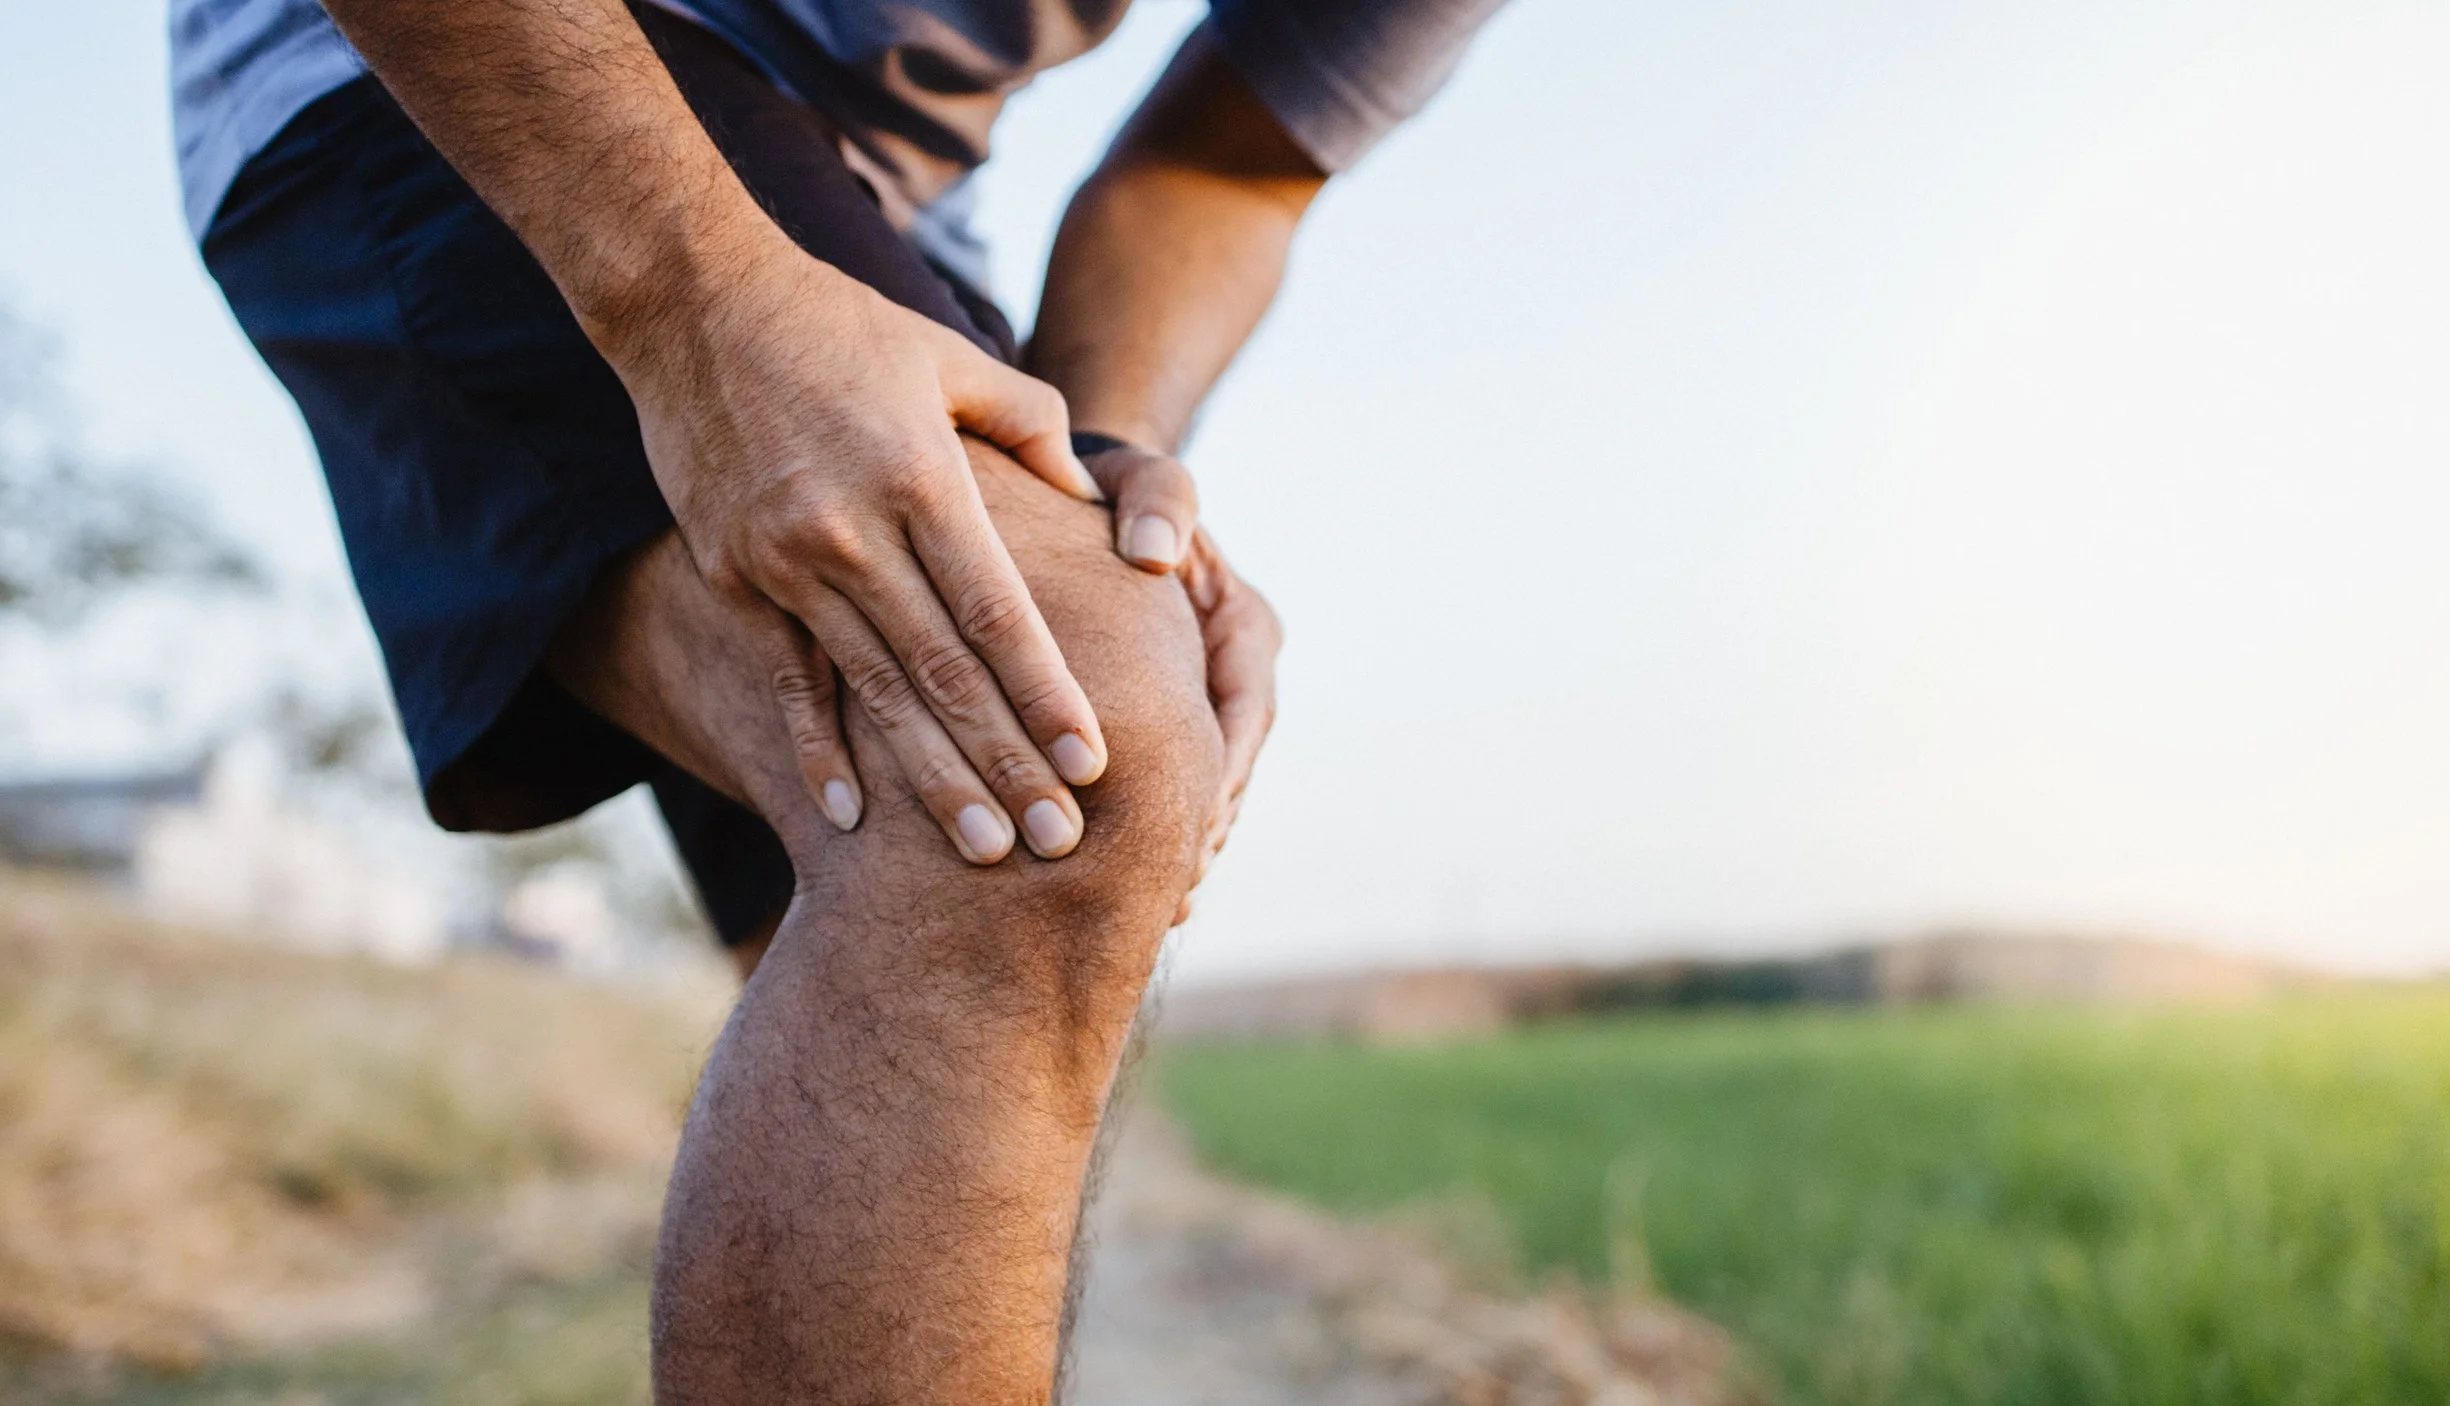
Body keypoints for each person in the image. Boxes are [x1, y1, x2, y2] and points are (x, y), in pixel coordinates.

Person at [173, 0, 1502, 1395]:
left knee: (944, 987)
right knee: (1047, 761)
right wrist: (691, 308)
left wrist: (1110, 455)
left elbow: (1225, 162)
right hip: (467, 62)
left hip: (886, 210)